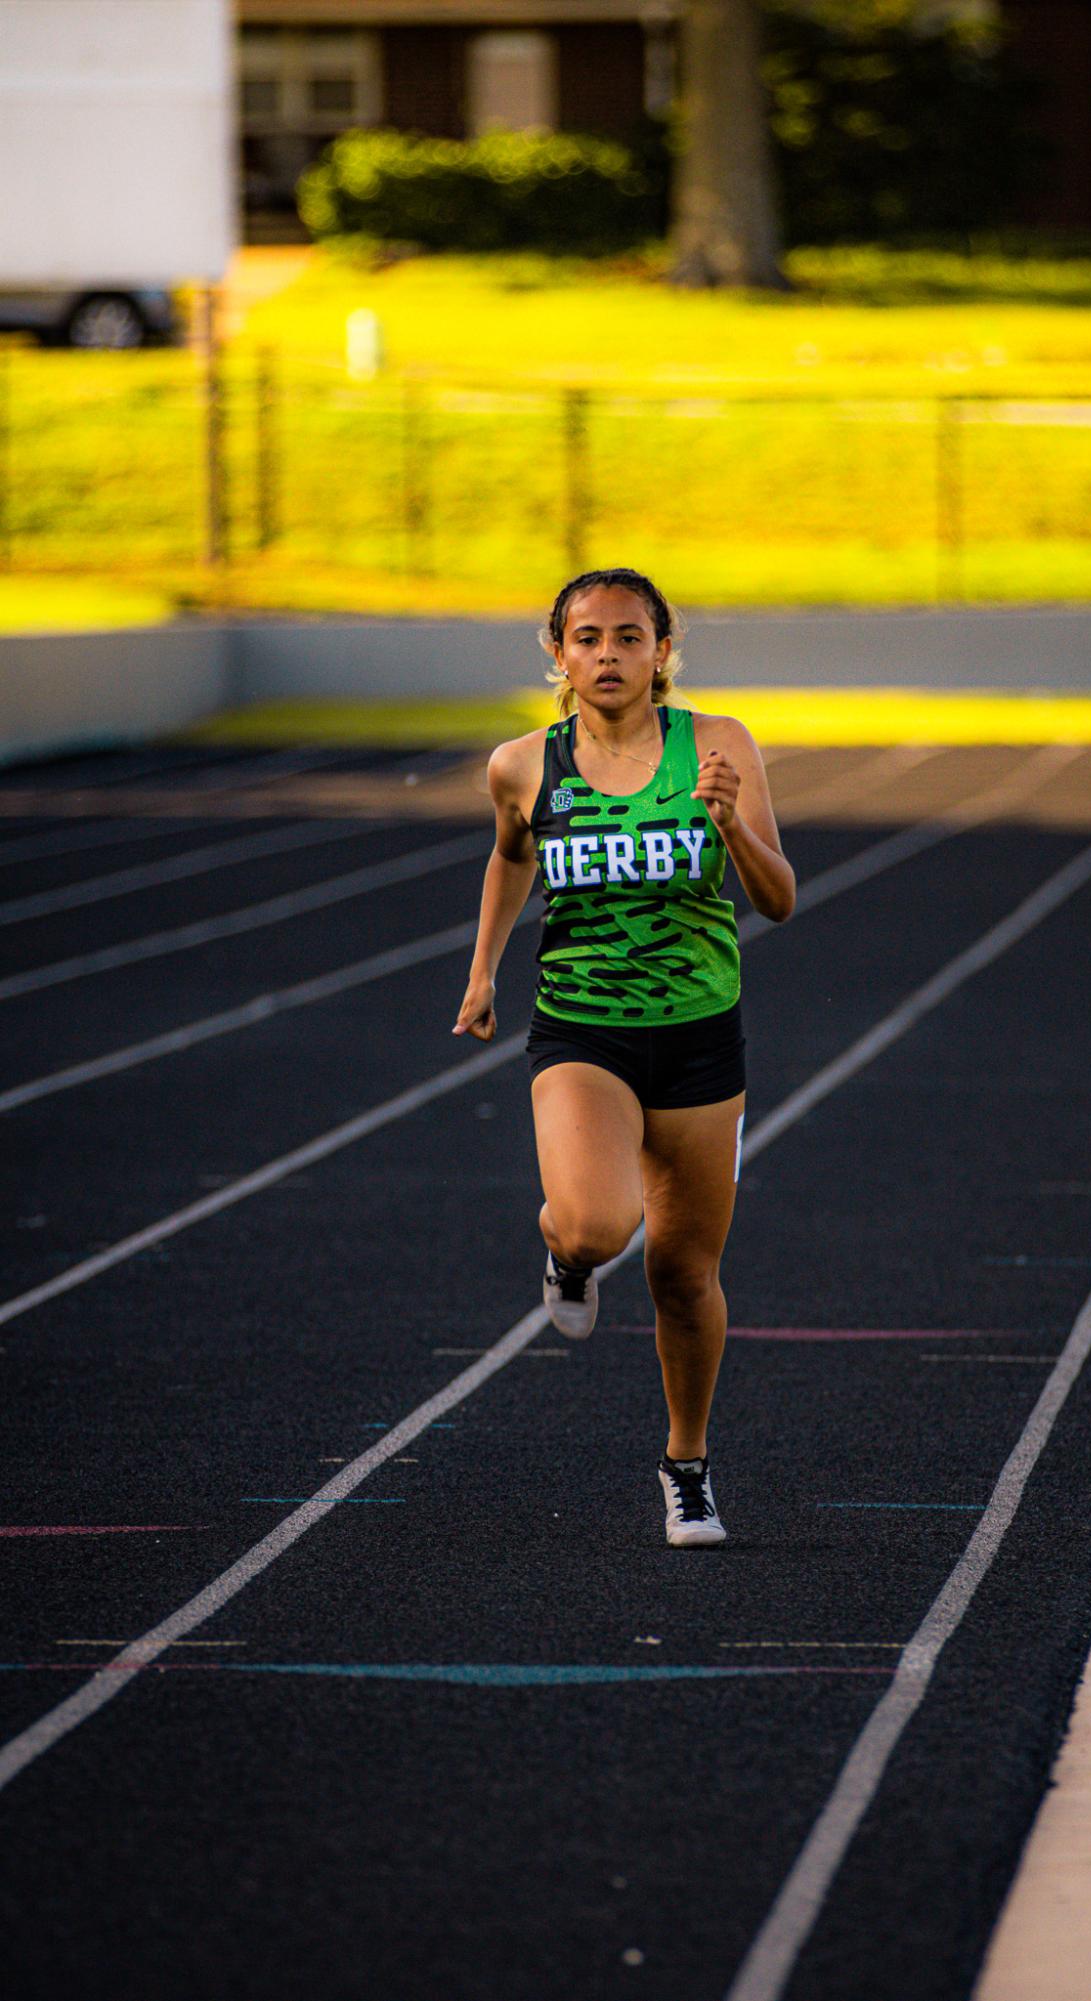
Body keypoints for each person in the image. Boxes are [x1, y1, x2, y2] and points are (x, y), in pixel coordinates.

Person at [454, 567, 795, 1548]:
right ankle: (565, 1249)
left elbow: (777, 900)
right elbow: (511, 854)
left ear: (661, 653)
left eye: (629, 637)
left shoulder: (717, 747)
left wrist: (727, 824)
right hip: (582, 1031)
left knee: (684, 1276)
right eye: (588, 638)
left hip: (697, 1039)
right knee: (601, 1226)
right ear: (557, 654)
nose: (608, 656)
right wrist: (481, 973)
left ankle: (684, 1466)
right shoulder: (521, 766)